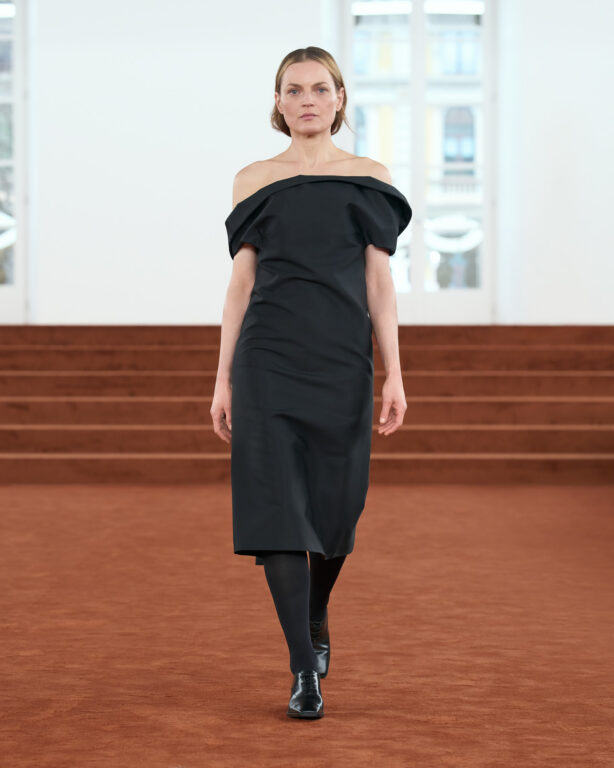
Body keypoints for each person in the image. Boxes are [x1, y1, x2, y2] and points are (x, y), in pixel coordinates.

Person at [212, 46, 412, 719]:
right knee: (275, 511)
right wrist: (222, 380)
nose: (307, 100)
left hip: (340, 360)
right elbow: (240, 285)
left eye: (320, 89)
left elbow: (379, 284)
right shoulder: (254, 179)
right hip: (267, 359)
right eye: (293, 90)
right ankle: (304, 668)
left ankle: (316, 608)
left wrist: (394, 372)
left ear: (339, 99)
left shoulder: (369, 178)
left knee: (337, 508)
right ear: (277, 102)